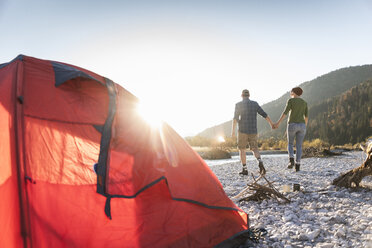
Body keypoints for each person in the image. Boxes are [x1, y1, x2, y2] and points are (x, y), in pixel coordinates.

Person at [231, 89, 274, 176]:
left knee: (242, 149)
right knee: (254, 149)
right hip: (253, 130)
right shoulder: (254, 104)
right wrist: (271, 124)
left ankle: (245, 169)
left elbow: (235, 118)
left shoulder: (238, 104)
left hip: (242, 130)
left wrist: (233, 131)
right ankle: (260, 161)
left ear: (242, 95)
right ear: (249, 95)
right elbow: (264, 114)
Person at [273, 87, 308, 172]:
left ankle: (291, 159)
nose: (290, 92)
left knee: (290, 143)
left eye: (291, 91)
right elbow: (306, 117)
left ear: (294, 92)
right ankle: (298, 165)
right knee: (299, 146)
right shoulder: (304, 103)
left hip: (292, 124)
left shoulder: (291, 101)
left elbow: (285, 113)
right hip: (302, 126)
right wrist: (304, 126)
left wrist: (278, 123)